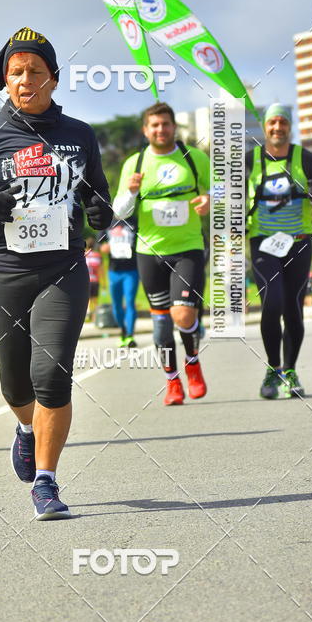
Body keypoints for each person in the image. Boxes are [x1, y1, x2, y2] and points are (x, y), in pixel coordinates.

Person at [0, 27, 113, 519]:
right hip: (2, 272)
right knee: (16, 384)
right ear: (4, 80)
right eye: (15, 72)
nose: (24, 80)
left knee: (51, 374)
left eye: (34, 71)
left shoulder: (79, 135)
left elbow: (96, 195)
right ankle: (24, 427)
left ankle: (46, 482)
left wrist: (101, 215)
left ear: (53, 79)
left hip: (62, 269)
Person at [113, 103, 210, 405]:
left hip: (188, 248)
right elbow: (118, 212)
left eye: (165, 124)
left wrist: (209, 199)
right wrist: (130, 192)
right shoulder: (135, 163)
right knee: (160, 325)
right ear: (145, 130)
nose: (160, 130)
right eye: (154, 125)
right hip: (149, 251)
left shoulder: (194, 159)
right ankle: (172, 382)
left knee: (182, 315)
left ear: (173, 127)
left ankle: (192, 363)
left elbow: (223, 191)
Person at [246, 104, 312, 399]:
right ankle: (273, 368)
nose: (278, 127)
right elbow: (230, 198)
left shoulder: (306, 158)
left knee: (293, 308)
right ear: (265, 127)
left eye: (283, 122)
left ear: (290, 126)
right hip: (263, 243)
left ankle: (289, 370)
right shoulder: (250, 160)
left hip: (299, 241)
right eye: (272, 122)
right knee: (272, 301)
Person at [100, 219, 139, 347]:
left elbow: (143, 242)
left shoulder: (135, 222)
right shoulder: (107, 223)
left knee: (129, 302)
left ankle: (130, 335)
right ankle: (123, 331)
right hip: (114, 271)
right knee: (116, 305)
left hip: (131, 270)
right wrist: (103, 247)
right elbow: (99, 244)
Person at [85, 237, 103, 321]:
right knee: (95, 300)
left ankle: (87, 314)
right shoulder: (98, 256)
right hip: (95, 280)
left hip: (86, 280)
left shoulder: (83, 255)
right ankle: (95, 317)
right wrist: (104, 283)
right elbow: (100, 270)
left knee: (87, 299)